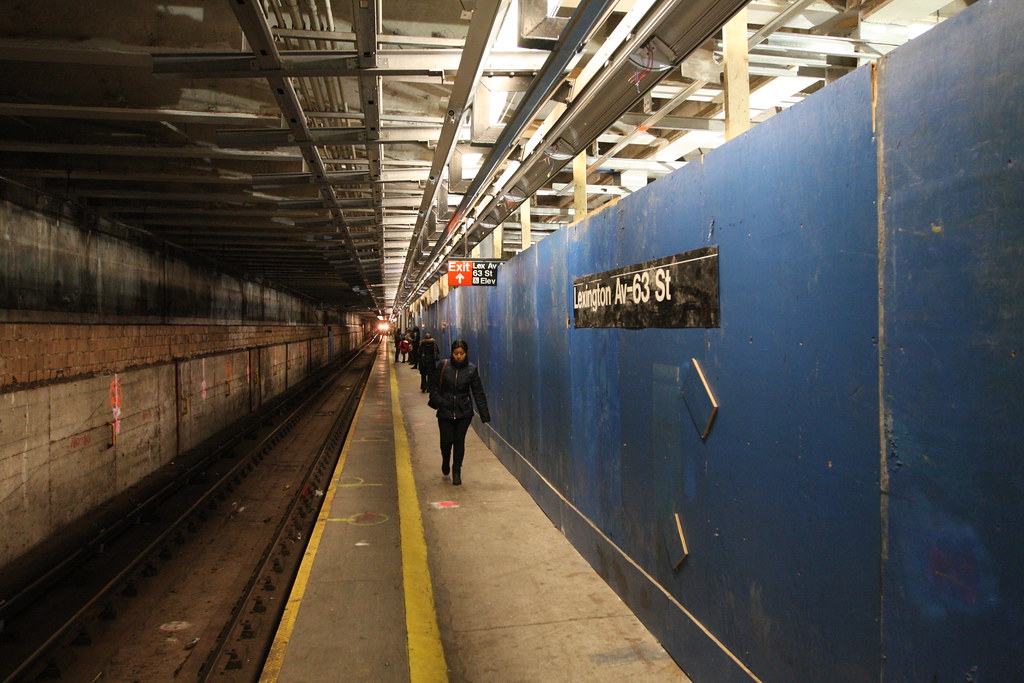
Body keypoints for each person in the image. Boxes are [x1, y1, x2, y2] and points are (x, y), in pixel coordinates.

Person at [428, 340, 490, 486]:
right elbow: (433, 387)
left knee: (459, 441)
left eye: (462, 353)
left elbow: (478, 392)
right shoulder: (443, 366)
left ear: (466, 353)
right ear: (452, 353)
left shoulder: (471, 370)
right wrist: (441, 402)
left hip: (464, 412)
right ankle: (445, 460)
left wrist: (484, 414)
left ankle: (457, 470)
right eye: (456, 353)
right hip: (445, 411)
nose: (459, 356)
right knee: (446, 441)